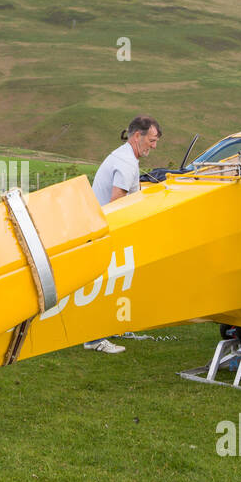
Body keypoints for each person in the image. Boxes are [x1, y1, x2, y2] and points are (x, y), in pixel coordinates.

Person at [84, 115, 162, 354]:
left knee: (119, 282)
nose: (154, 146)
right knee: (108, 282)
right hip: (108, 231)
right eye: (152, 140)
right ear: (137, 136)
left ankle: (116, 326)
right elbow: (116, 203)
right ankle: (94, 338)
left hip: (106, 229)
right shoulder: (126, 162)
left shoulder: (126, 156)